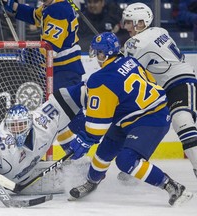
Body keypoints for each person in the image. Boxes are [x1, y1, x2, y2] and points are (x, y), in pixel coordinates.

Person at [67, 32, 193, 206]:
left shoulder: (100, 79)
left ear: (104, 54)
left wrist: (84, 139)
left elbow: (97, 127)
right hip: (131, 116)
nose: (96, 56)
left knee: (126, 160)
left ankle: (173, 186)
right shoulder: (130, 61)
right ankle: (91, 182)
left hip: (151, 118)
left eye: (98, 53)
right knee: (103, 152)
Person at [121, 2, 197, 179]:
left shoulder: (135, 43)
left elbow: (128, 70)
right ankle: (136, 163)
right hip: (162, 89)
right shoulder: (160, 31)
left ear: (141, 22)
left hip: (179, 82)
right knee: (150, 123)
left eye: (129, 22)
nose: (126, 26)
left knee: (182, 120)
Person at [0, 0, 86, 153]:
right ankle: (73, 155)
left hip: (64, 71)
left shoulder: (58, 10)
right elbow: (34, 16)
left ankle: (84, 150)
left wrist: (28, 53)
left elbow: (50, 48)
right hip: (60, 71)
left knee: (67, 115)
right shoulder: (53, 6)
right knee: (58, 117)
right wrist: (11, 5)